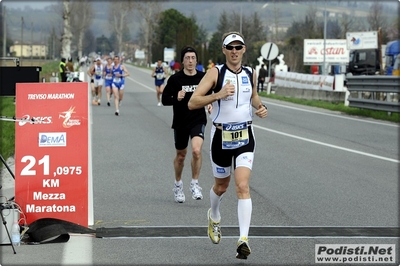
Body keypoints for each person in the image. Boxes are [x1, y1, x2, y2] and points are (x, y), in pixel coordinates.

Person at [188, 31, 268, 260]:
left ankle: (243, 240)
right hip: (221, 138)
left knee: (242, 186)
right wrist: (218, 94)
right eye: (230, 47)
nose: (234, 51)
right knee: (221, 186)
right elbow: (194, 102)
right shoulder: (216, 73)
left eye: (238, 47)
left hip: (245, 136)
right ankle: (214, 215)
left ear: (244, 49)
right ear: (224, 50)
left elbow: (253, 96)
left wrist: (261, 107)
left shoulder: (251, 72)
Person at [162, 46, 211, 203]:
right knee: (181, 156)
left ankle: (195, 183)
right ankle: (178, 184)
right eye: (187, 58)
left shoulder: (204, 77)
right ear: (182, 61)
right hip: (181, 122)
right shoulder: (175, 79)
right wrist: (176, 97)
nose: (190, 61)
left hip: (198, 119)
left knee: (196, 151)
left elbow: (212, 94)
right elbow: (164, 99)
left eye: (193, 58)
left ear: (197, 60)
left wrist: (211, 104)